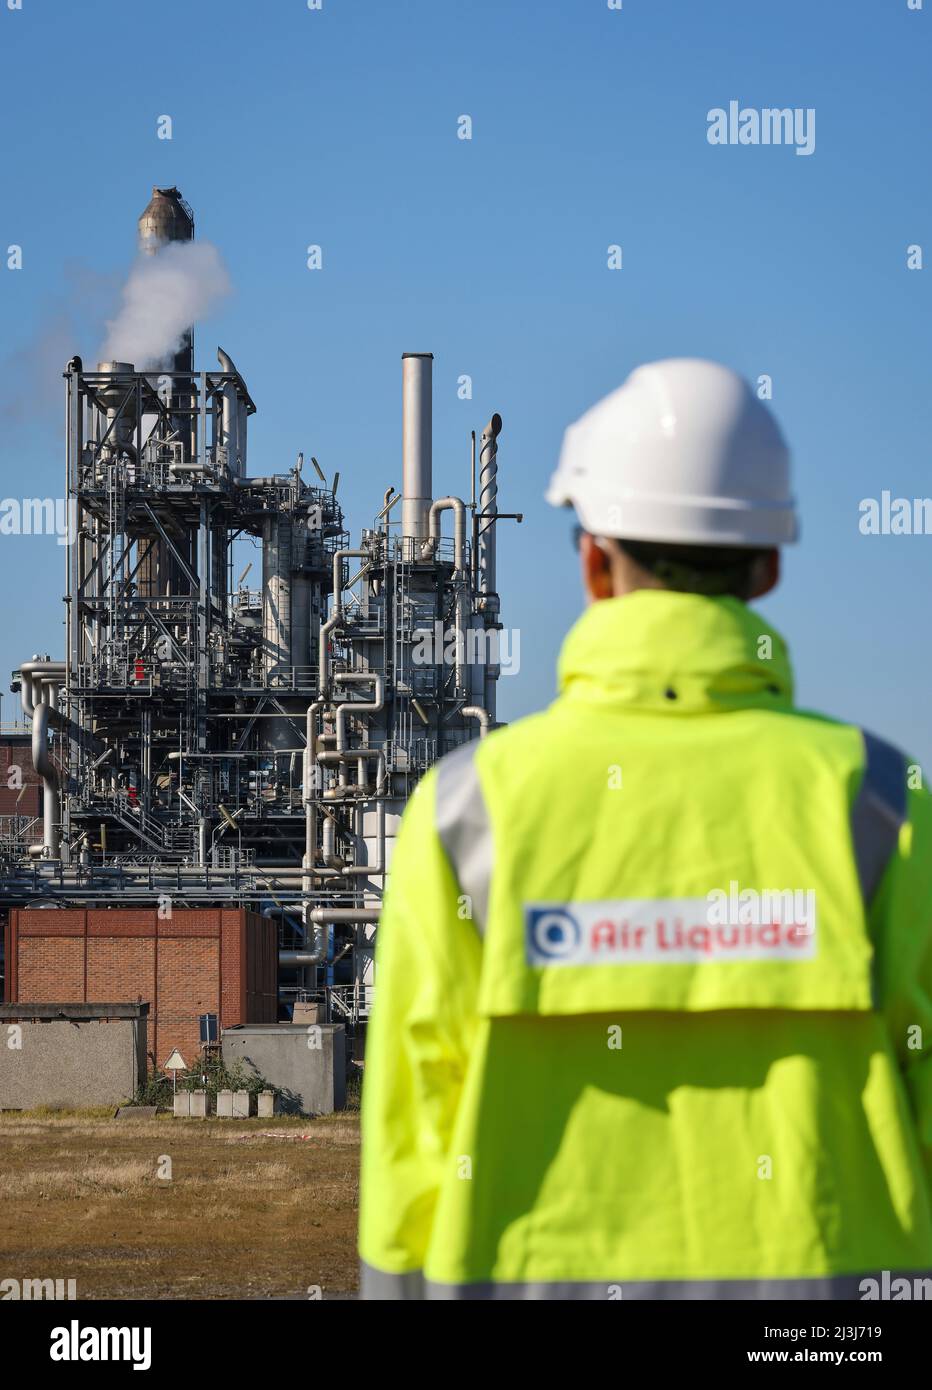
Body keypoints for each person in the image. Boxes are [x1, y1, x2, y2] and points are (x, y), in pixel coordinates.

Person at [358, 358, 932, 1300]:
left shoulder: (466, 812)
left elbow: (411, 1133)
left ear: (591, 561)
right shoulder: (880, 803)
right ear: (771, 563)